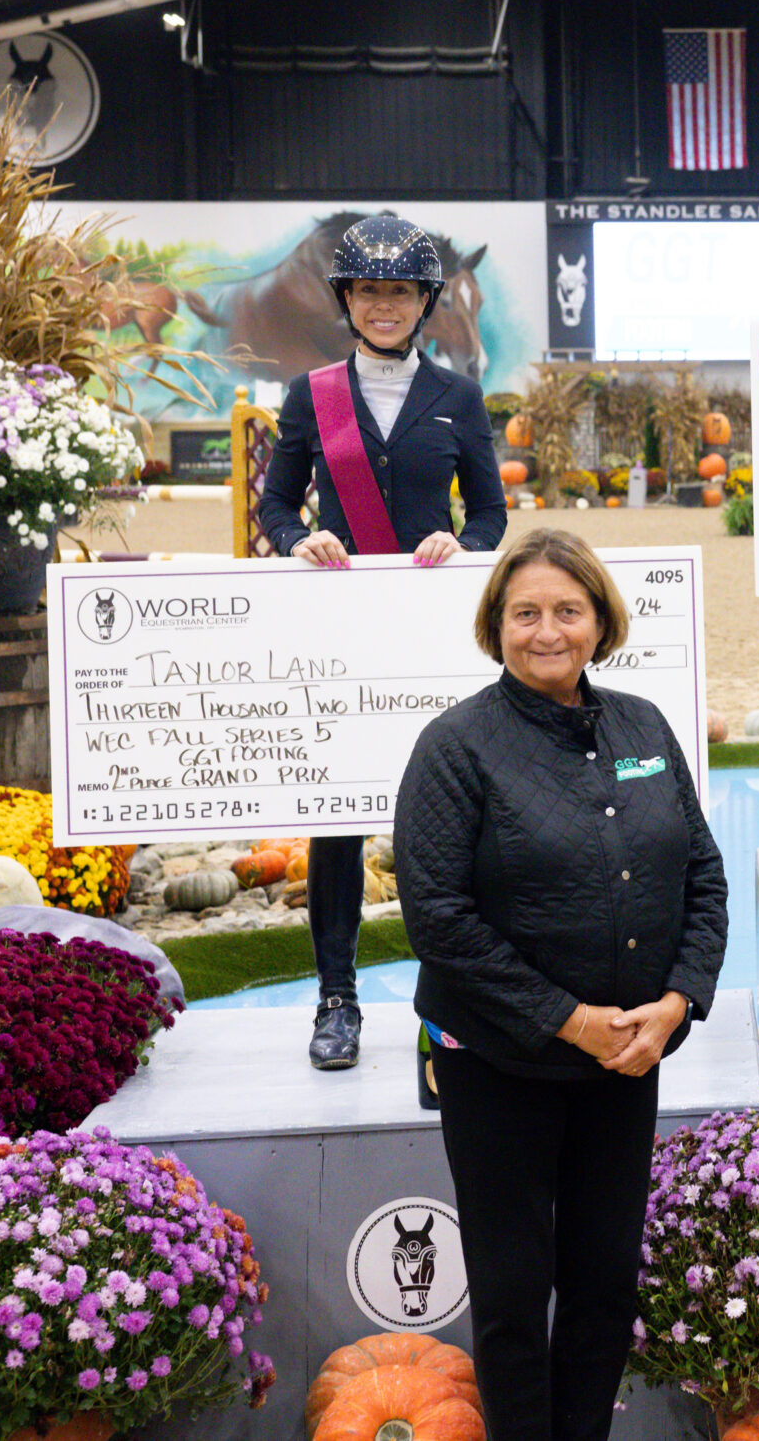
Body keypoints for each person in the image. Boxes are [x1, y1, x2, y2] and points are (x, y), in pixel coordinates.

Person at [394, 528, 727, 1441]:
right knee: (512, 1295)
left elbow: (702, 874)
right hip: (498, 1063)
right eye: (526, 613)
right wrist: (567, 1019)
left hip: (625, 1061)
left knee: (603, 1285)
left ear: (601, 622)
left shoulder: (644, 727)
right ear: (496, 626)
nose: (548, 631)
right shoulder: (455, 746)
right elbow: (437, 919)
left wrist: (678, 1002)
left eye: (568, 611)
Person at [257, 213, 508, 1069]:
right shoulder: (311, 394)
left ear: (426, 301)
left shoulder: (460, 399)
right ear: (348, 299)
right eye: (369, 290)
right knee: (337, 821)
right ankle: (337, 999)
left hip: (432, 629)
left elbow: (490, 513)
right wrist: (298, 540)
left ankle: (454, 1001)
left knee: (449, 821)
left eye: (400, 291)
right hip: (343, 627)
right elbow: (276, 503)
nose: (385, 305)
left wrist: (464, 547)